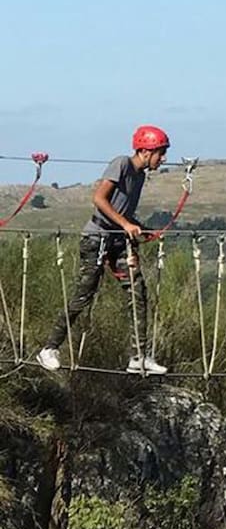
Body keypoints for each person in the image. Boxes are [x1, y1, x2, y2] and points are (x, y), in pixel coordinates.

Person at [37, 125, 171, 374]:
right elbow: (99, 199)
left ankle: (139, 357)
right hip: (97, 238)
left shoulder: (140, 176)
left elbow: (123, 212)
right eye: (160, 152)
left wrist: (140, 228)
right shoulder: (121, 164)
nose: (163, 158)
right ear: (145, 150)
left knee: (137, 291)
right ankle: (49, 348)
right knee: (84, 294)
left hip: (117, 241)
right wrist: (126, 224)